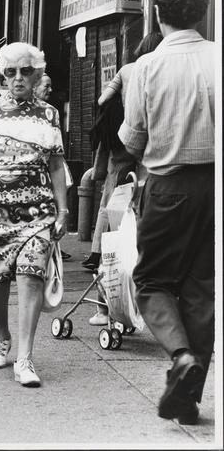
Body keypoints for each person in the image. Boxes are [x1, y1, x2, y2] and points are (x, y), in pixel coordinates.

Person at [118, 0, 214, 424]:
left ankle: (181, 356)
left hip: (168, 186)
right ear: (203, 12)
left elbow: (132, 140)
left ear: (158, 14)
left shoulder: (147, 67)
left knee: (153, 280)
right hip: (215, 186)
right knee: (202, 287)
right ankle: (188, 398)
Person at [0, 42, 68, 387]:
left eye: (25, 71)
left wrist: (63, 210)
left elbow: (56, 165)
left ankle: (25, 357)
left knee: (31, 276)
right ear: (3, 75)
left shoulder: (49, 114)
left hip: (37, 213)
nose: (18, 78)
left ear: (37, 74)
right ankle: (2, 335)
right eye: (11, 72)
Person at [85, 32, 163, 326]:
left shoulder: (128, 69)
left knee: (111, 215)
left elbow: (102, 99)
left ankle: (104, 307)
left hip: (121, 148)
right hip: (151, 151)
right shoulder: (163, 68)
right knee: (142, 218)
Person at [35, 73, 72, 261]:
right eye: (46, 86)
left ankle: (53, 245)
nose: (50, 90)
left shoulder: (51, 113)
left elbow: (56, 157)